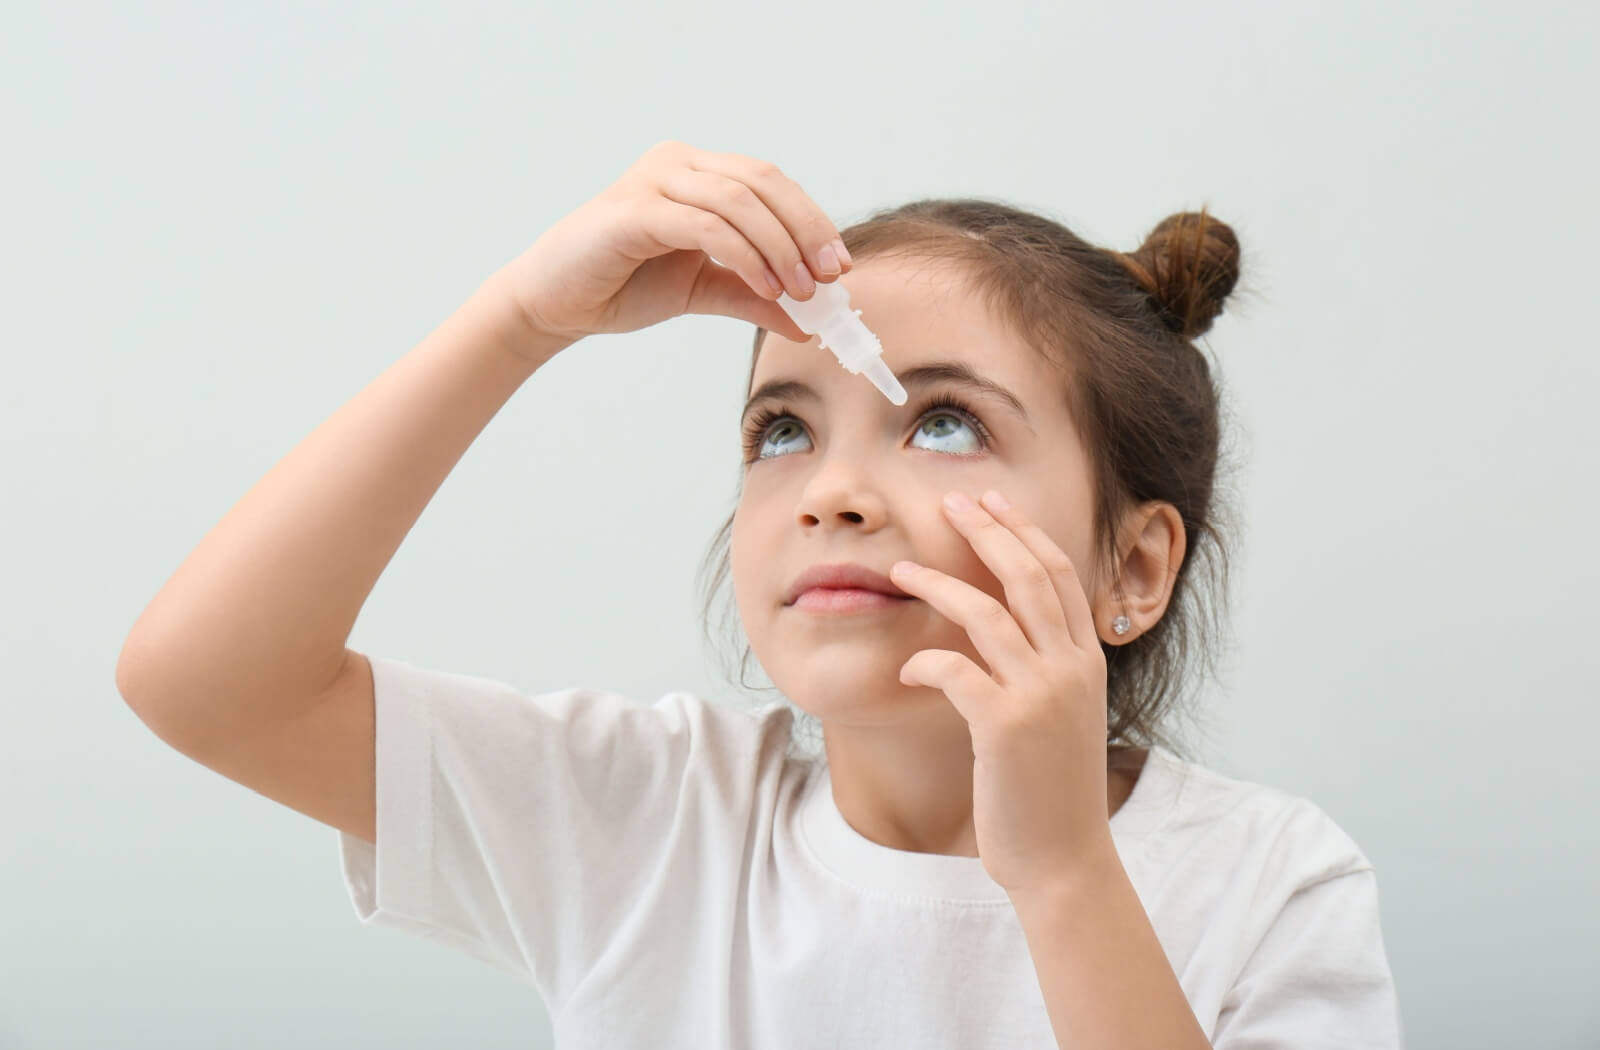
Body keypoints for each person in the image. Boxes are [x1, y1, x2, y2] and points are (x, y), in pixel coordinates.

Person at [117, 140, 1405, 1048]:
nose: (831, 490)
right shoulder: (649, 827)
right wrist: (523, 319)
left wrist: (1065, 874)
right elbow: (204, 685)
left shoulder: (1269, 885)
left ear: (1132, 568)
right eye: (782, 430)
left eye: (944, 424)